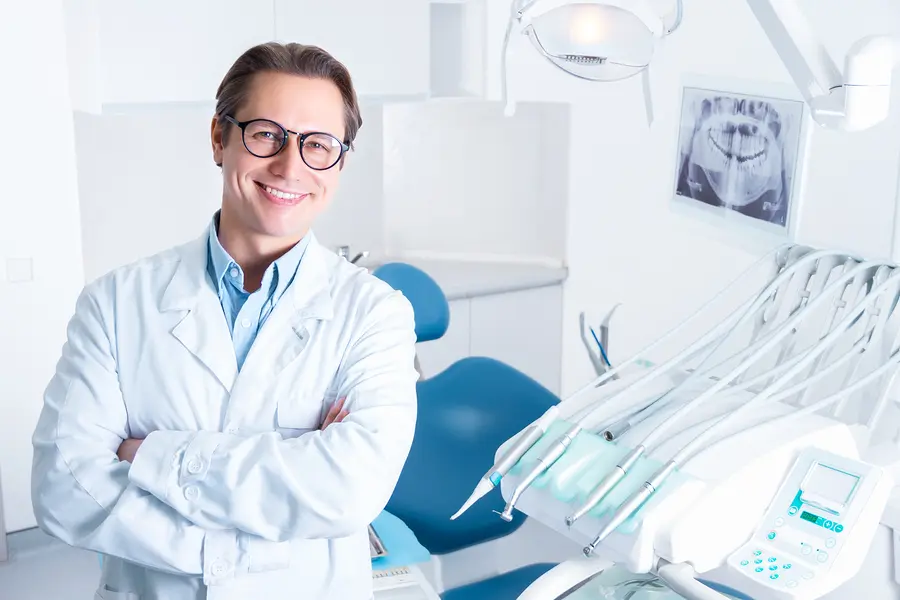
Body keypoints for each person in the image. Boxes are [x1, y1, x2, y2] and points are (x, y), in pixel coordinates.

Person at [31, 42, 419, 600]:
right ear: (219, 138)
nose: (291, 166)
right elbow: (65, 489)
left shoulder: (376, 312)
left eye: (319, 145)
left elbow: (350, 490)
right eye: (266, 134)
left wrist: (151, 455)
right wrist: (264, 532)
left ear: (340, 161)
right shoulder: (115, 303)